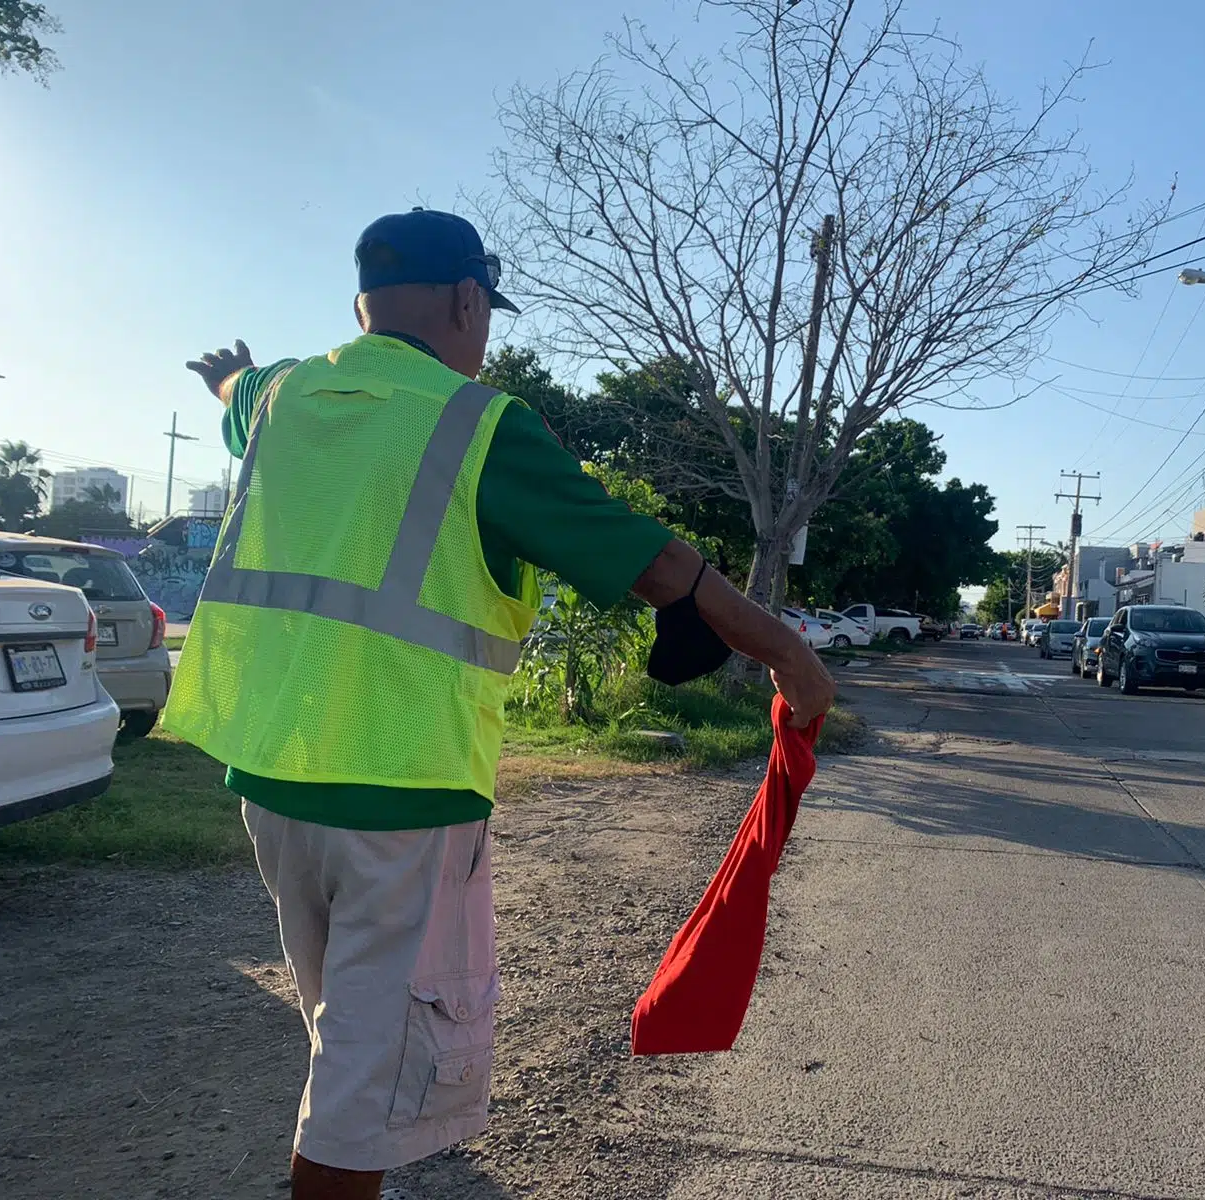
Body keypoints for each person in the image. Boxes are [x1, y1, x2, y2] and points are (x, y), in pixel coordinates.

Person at [164, 208, 835, 1200]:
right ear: (466, 300)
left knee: (344, 1041)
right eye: (486, 317)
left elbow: (232, 388)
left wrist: (229, 368)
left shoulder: (278, 395)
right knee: (365, 1079)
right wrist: (786, 652)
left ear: (362, 303)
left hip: (271, 781)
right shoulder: (475, 423)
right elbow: (649, 557)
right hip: (401, 796)